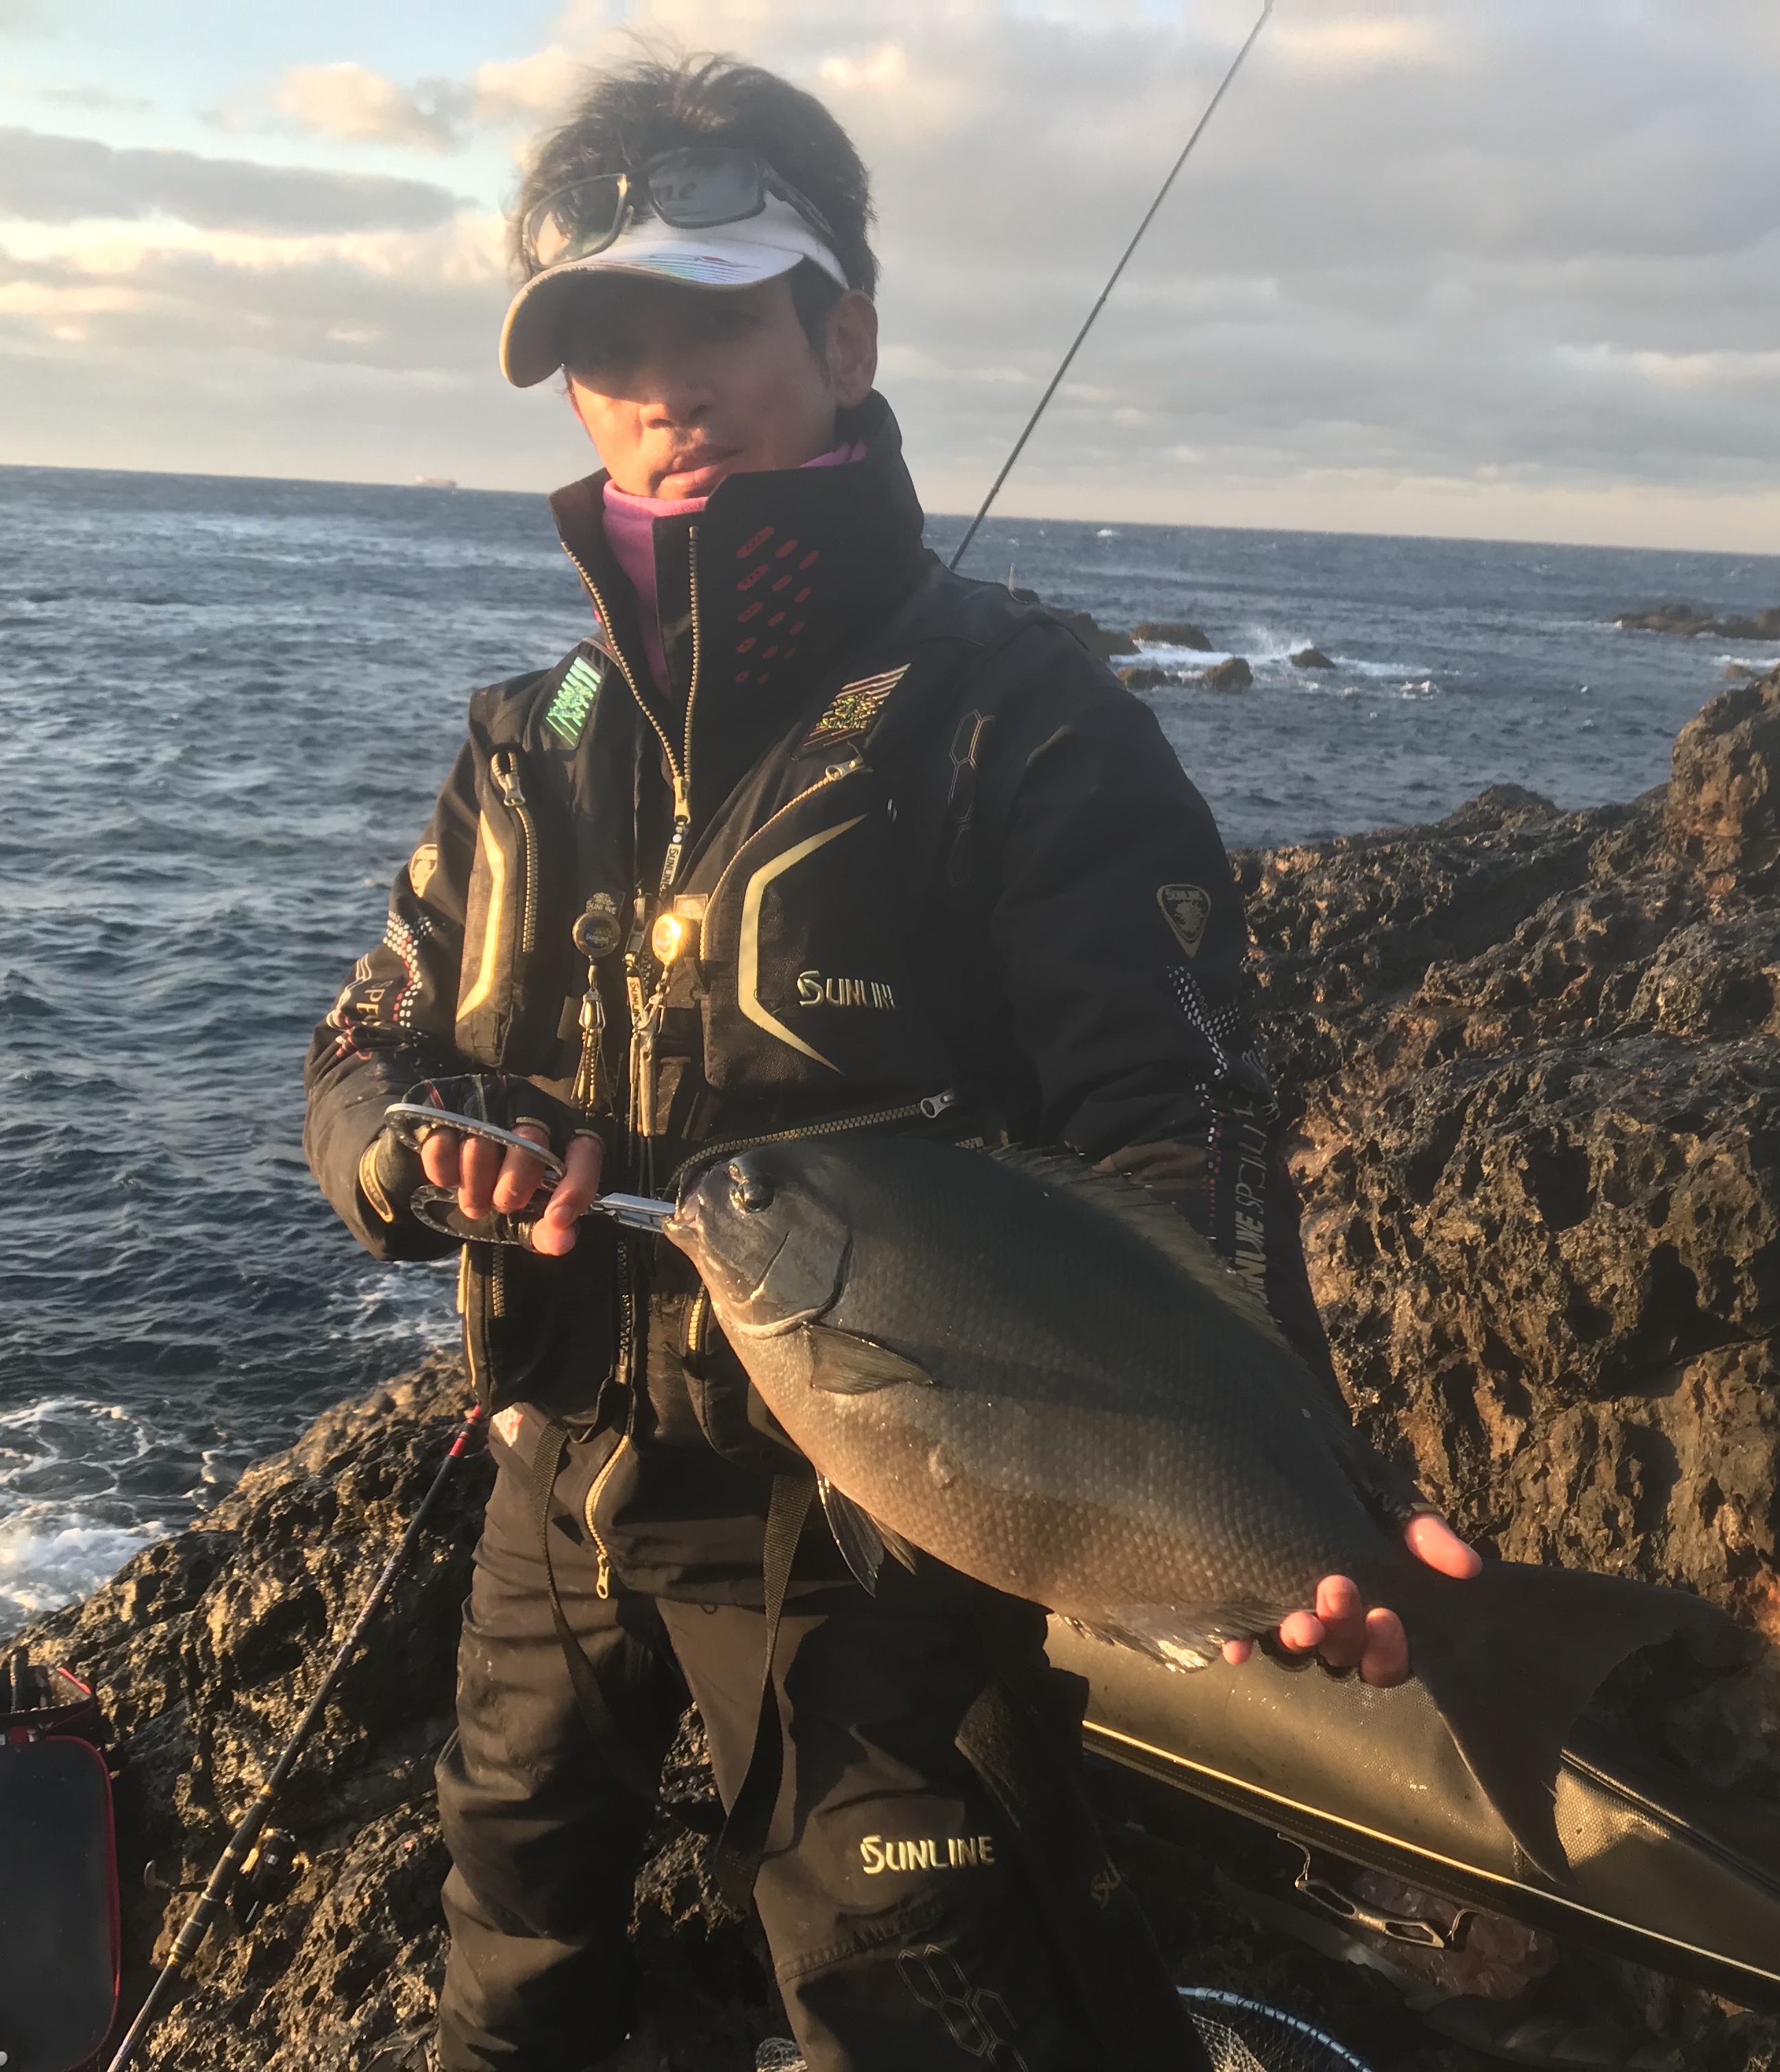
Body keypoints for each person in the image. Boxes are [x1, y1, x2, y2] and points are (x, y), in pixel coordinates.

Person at [303, 53, 1479, 2072]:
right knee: (507, 1955)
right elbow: (360, 1066)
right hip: (559, 1473)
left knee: (925, 2005)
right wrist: (429, 1162)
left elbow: (1181, 1125)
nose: (658, 383)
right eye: (604, 343)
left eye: (715, 314)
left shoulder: (1027, 720)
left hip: (892, 1516)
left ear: (843, 333)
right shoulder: (521, 748)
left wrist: (1312, 1491)